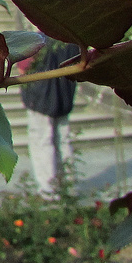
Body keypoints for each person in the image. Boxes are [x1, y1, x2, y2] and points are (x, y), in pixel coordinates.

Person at [20, 40, 82, 194]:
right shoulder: (72, 43)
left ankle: (48, 189)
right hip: (63, 97)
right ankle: (68, 185)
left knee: (42, 141)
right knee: (63, 140)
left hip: (41, 98)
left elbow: (24, 67)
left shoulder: (37, 41)